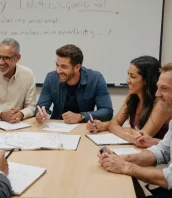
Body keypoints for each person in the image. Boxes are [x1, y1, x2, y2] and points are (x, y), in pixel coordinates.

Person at [98, 63, 172, 198]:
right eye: (158, 88)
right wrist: (120, 158)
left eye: (165, 89)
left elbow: (169, 178)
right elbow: (162, 151)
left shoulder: (161, 106)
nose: (157, 94)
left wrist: (127, 167)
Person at [87, 56, 171, 147]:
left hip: (158, 156)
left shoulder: (162, 103)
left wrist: (121, 130)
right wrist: (129, 132)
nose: (127, 80)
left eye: (133, 76)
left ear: (147, 81)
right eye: (128, 74)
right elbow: (113, 124)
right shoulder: (132, 95)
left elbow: (141, 138)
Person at [36, 44, 113, 124]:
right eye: (57, 65)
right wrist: (40, 114)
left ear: (77, 67)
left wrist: (81, 116)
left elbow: (107, 112)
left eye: (64, 67)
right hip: (56, 126)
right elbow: (41, 106)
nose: (58, 70)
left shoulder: (95, 79)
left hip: (84, 127)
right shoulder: (51, 78)